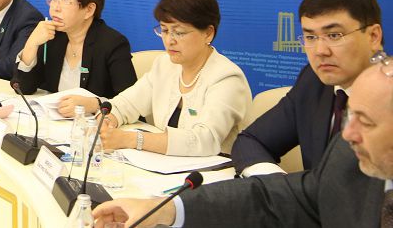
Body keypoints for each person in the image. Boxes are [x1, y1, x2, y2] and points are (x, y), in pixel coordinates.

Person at [91, 56, 393, 228]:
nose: (348, 134)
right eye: (349, 116)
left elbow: (204, 139)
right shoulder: (346, 155)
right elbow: (271, 198)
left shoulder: (225, 75)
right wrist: (164, 209)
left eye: (366, 122)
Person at [232, 0, 383, 176]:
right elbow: (251, 142)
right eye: (310, 37)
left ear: (373, 36)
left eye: (334, 35)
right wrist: (276, 184)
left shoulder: (387, 95)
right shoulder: (313, 82)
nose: (320, 51)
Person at [97, 0, 252, 156]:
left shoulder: (227, 78)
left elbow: (205, 140)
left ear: (208, 33)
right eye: (164, 30)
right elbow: (126, 104)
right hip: (164, 165)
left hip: (214, 169)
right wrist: (107, 120)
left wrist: (132, 139)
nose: (169, 40)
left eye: (179, 33)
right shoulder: (164, 64)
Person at [13, 0, 136, 114]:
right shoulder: (53, 36)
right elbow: (23, 88)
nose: (55, 7)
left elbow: (131, 104)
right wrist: (31, 43)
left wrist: (95, 104)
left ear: (89, 10)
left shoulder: (112, 43)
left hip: (91, 125)